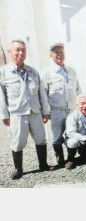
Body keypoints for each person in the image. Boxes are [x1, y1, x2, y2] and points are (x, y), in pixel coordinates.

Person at [0, 39, 53, 180]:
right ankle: (18, 169)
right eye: (17, 50)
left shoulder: (33, 71)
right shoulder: (3, 72)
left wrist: (46, 112)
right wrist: (4, 115)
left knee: (41, 139)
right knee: (17, 142)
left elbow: (41, 93)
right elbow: (1, 97)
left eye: (23, 50)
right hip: (17, 114)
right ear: (9, 52)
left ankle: (43, 164)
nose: (20, 53)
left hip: (35, 112)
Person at [41, 42, 81, 168]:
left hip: (72, 110)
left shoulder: (71, 71)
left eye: (61, 52)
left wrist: (80, 106)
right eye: (56, 52)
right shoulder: (47, 73)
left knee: (72, 133)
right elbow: (43, 94)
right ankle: (60, 161)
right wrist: (46, 111)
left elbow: (78, 89)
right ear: (51, 55)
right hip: (57, 111)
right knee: (57, 136)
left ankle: (70, 159)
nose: (59, 54)